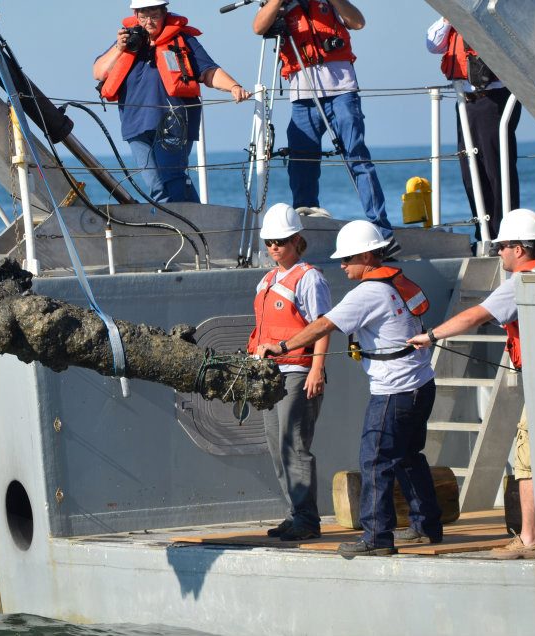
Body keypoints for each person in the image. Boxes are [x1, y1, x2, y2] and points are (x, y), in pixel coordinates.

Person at [257, 220, 442, 556]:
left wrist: (282, 348)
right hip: (421, 384)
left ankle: (376, 538)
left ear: (368, 256)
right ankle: (426, 525)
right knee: (408, 456)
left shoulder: (368, 292)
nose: (342, 266)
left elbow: (323, 324)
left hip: (393, 390)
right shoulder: (397, 283)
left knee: (375, 461)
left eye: (347, 259)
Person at [407, 208, 535, 560]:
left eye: (502, 247)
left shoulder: (518, 284)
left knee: (527, 461)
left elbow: (476, 315)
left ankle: (529, 538)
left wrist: (432, 335)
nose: (498, 252)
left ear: (519, 249)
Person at [251, 0, 398, 255]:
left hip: (342, 91)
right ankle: (305, 221)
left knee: (357, 157)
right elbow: (258, 27)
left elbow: (358, 22)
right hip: (302, 97)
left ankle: (381, 231)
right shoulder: (282, 5)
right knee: (301, 162)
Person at [93, 0, 251, 203]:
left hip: (173, 122)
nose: (148, 21)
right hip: (135, 125)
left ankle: (193, 226)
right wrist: (119, 47)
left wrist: (233, 86)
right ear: (135, 14)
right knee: (156, 186)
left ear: (164, 13)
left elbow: (209, 71)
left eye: (154, 15)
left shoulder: (182, 39)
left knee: (173, 178)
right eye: (143, 16)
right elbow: (99, 72)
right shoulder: (127, 41)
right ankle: (176, 227)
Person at [248, 204, 331, 541]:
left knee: (294, 444)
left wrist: (317, 370)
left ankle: (307, 521)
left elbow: (323, 326)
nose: (274, 248)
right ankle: (294, 512)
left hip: (297, 370)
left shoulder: (309, 278)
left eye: (280, 241)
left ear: (297, 240)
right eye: (269, 242)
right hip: (270, 373)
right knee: (275, 445)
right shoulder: (267, 280)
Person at [427, 18, 521, 244]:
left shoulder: (490, 13)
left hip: (494, 99)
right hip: (465, 101)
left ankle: (505, 234)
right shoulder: (452, 19)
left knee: (496, 170)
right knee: (471, 171)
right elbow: (433, 44)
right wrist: (449, 16)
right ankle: (484, 232)